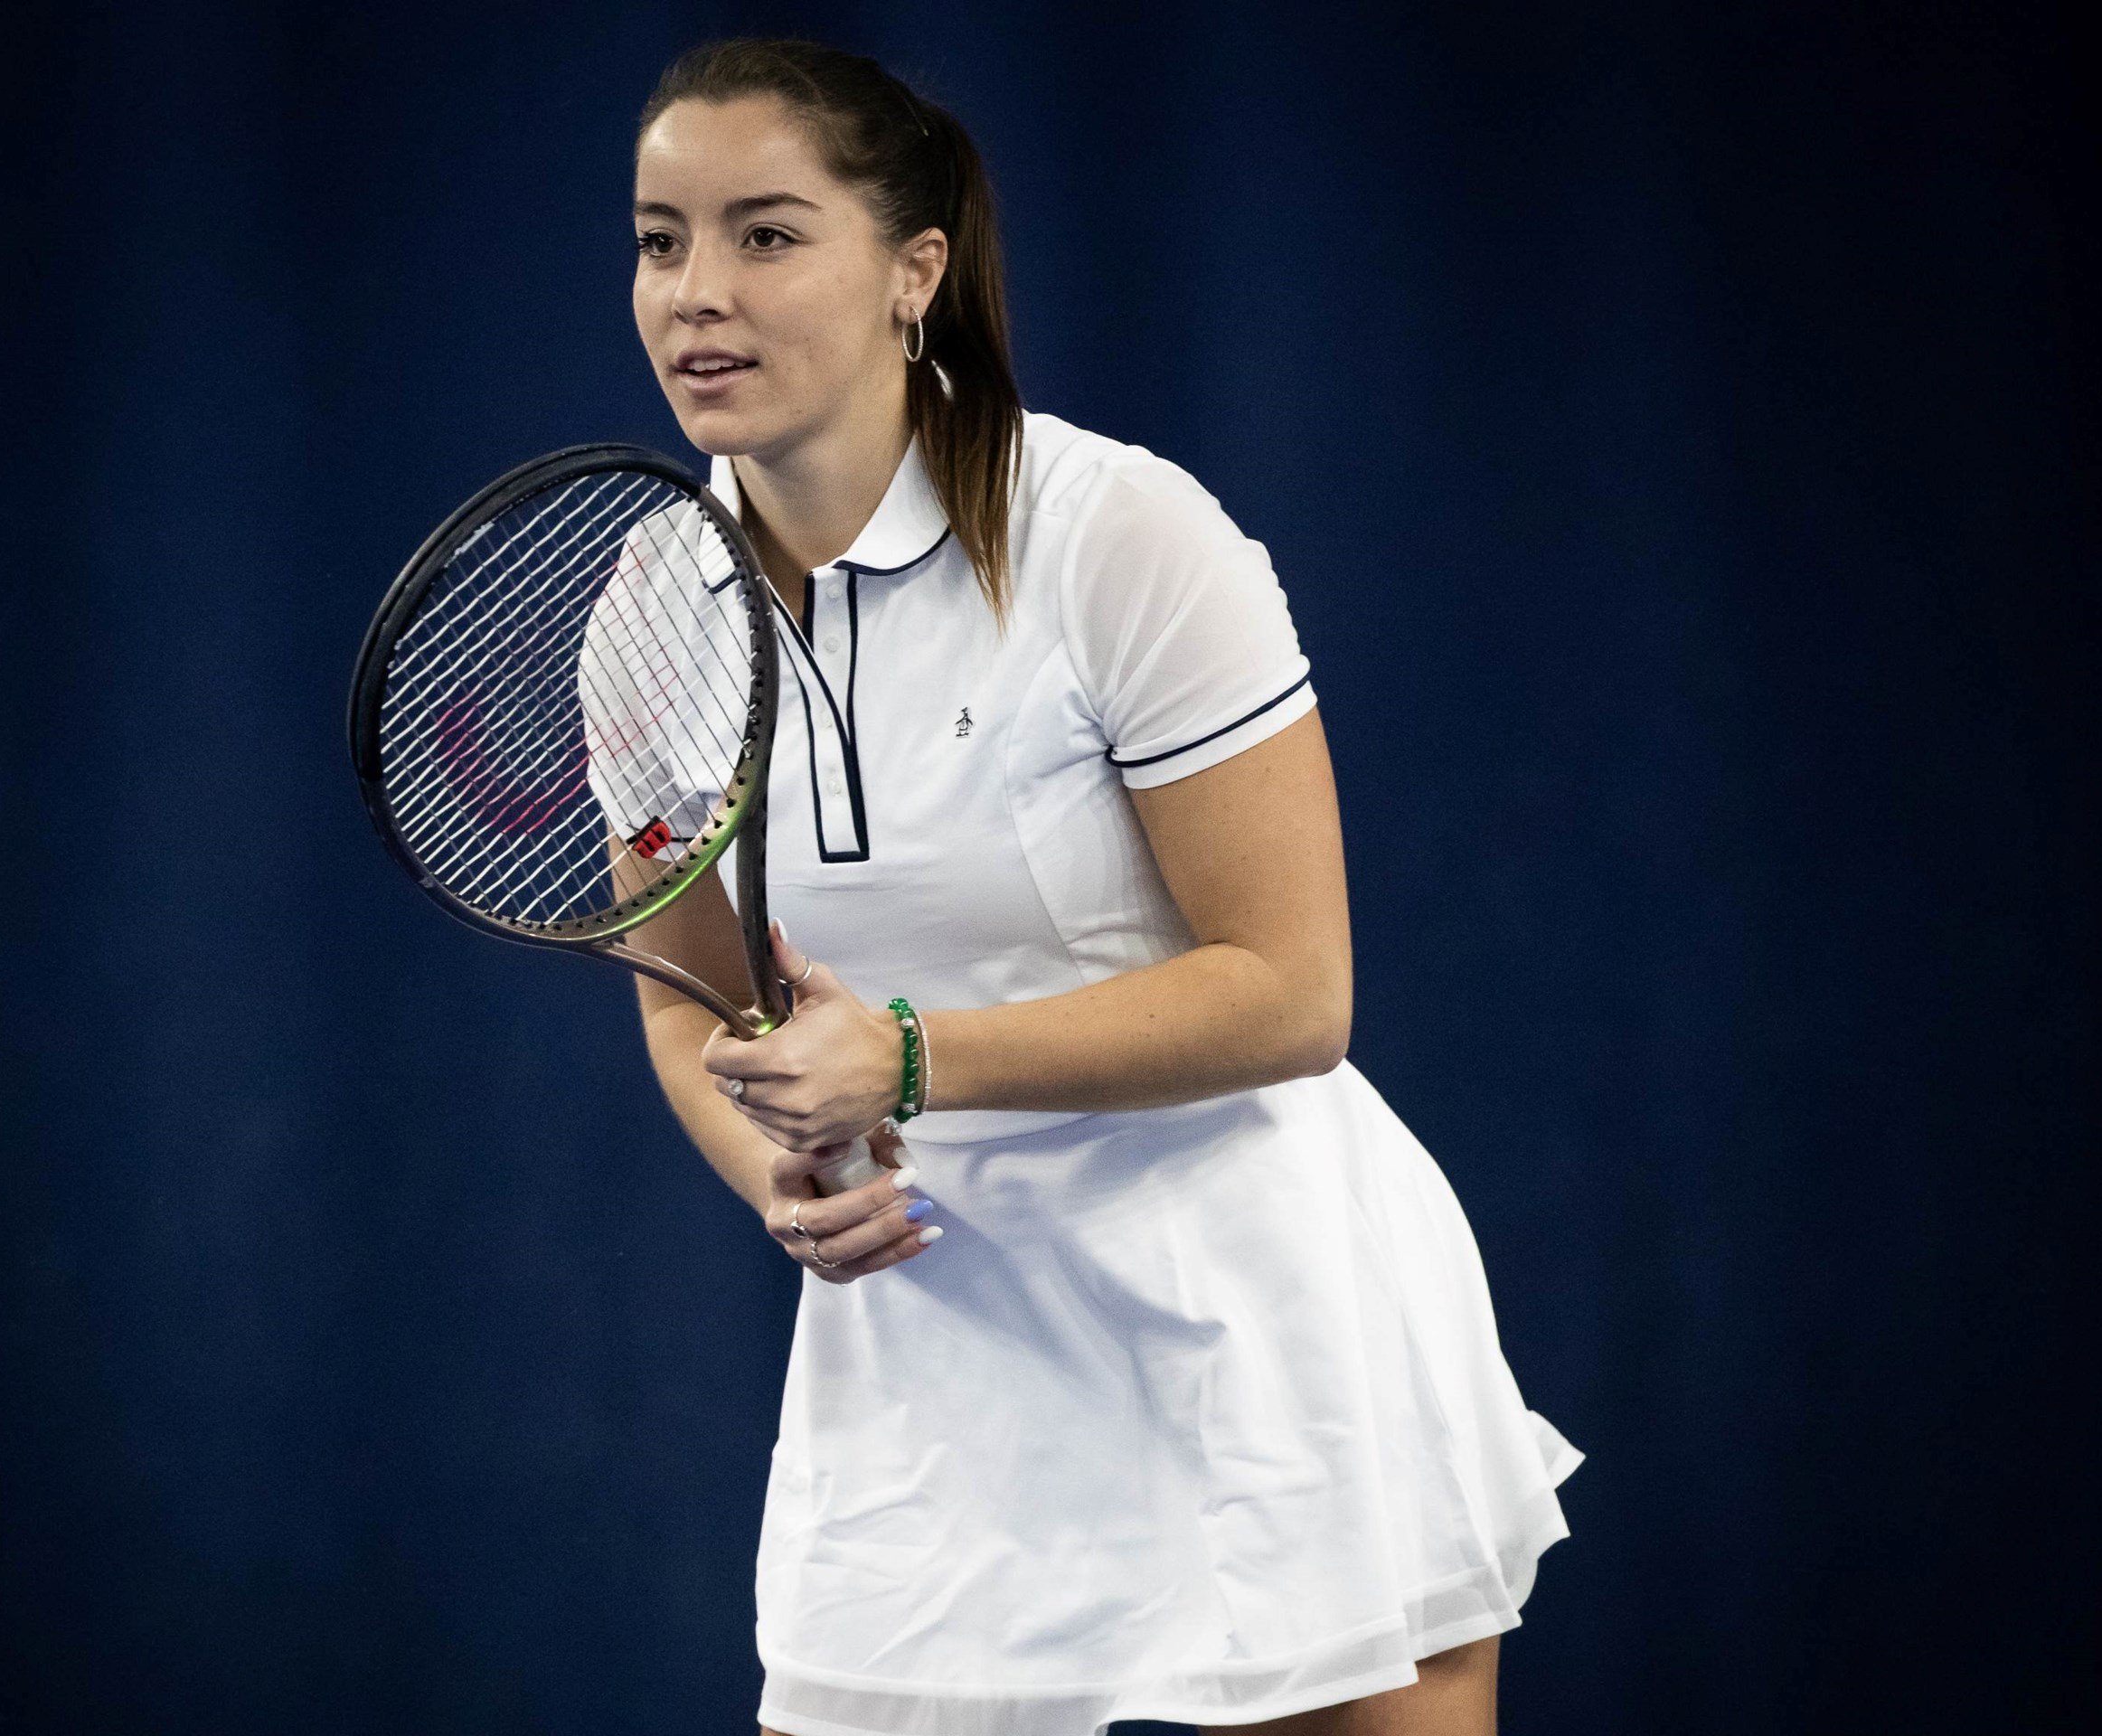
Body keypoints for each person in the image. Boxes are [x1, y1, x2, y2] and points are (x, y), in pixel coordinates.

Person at [617, 38, 1581, 1736]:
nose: (698, 292)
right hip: (940, 1358)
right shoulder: (644, 608)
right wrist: (782, 1177)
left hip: (1264, 1333)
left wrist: (909, 1059)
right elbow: (694, 1006)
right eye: (659, 238)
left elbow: (1295, 992)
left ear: (916, 271)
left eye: (766, 235)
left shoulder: (1121, 533)